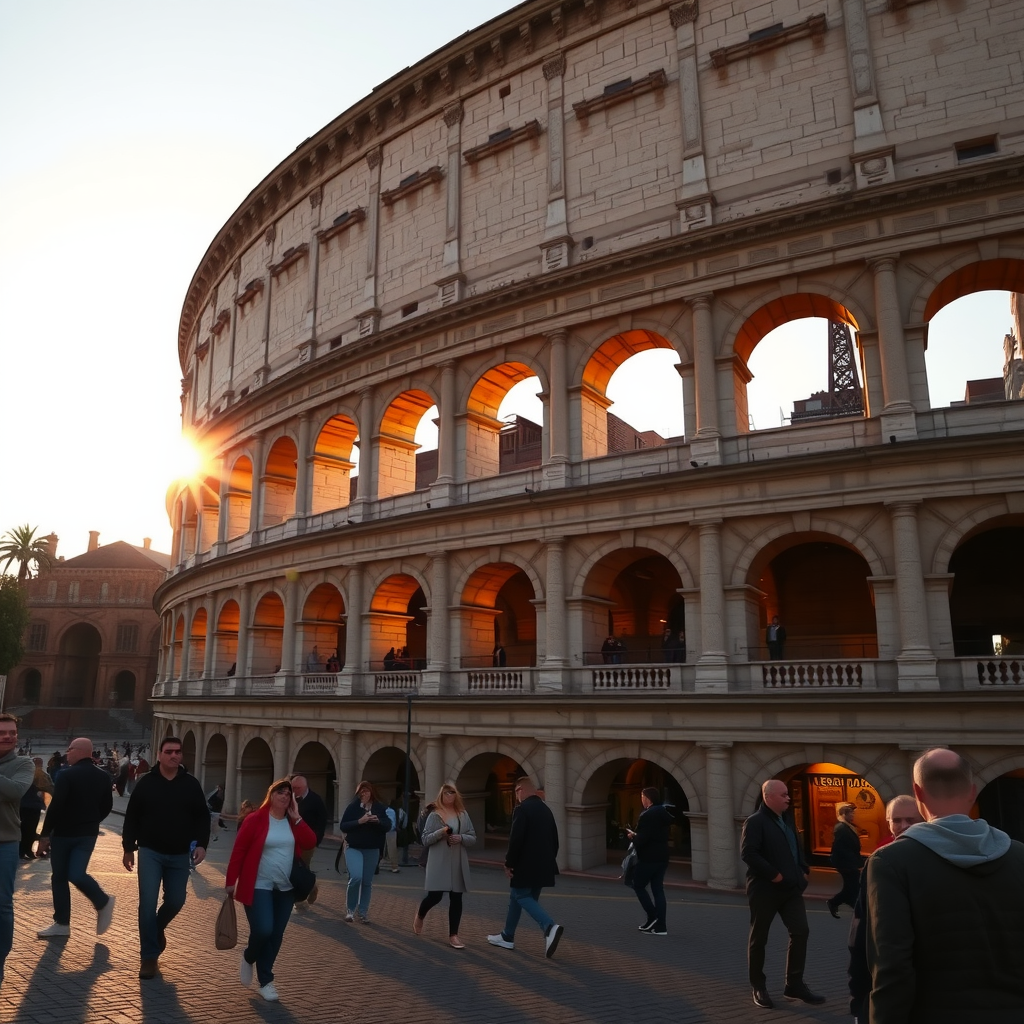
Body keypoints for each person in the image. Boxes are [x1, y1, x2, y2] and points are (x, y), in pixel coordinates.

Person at [866, 748, 1024, 1023]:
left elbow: (892, 967)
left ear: (918, 793)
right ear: (973, 791)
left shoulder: (890, 861)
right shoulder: (1019, 855)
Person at [122, 736, 211, 980]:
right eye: (169, 751)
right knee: (147, 905)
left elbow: (202, 817)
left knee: (176, 901)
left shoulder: (191, 784)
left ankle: (156, 928)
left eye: (178, 752)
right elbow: (131, 817)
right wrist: (128, 848)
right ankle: (148, 957)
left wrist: (202, 844)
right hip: (150, 852)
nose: (174, 755)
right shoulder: (146, 783)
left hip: (180, 854)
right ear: (159, 755)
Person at [226, 777, 315, 1003]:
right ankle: (248, 956)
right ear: (271, 795)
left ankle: (265, 981)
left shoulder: (291, 821)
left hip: (285, 888)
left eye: (288, 794)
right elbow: (239, 850)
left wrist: (297, 819)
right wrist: (230, 880)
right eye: (280, 792)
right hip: (258, 885)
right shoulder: (255, 820)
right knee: (264, 929)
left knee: (276, 935)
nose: (285, 796)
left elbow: (310, 842)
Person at [741, 778, 825, 1010]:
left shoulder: (787, 819)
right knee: (760, 937)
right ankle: (758, 986)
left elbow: (795, 849)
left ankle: (794, 984)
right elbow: (749, 853)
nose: (788, 798)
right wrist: (774, 875)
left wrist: (804, 870)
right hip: (765, 889)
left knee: (801, 931)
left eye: (788, 794)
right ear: (768, 797)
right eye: (783, 794)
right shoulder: (755, 822)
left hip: (791, 890)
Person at [847, 795, 922, 1023]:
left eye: (911, 819)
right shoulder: (877, 861)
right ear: (888, 823)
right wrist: (858, 992)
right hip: (883, 977)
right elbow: (861, 928)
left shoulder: (936, 860)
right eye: (896, 820)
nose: (904, 826)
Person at [35, 737, 115, 939]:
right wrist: (92, 820)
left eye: (69, 749)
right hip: (87, 833)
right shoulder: (104, 776)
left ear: (79, 751)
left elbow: (56, 806)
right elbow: (107, 806)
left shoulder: (66, 775)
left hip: (63, 833)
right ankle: (63, 923)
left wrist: (45, 834)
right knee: (73, 874)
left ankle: (99, 902)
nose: (67, 753)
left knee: (63, 876)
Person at [487, 775, 563, 958]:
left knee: (521, 895)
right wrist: (548, 861)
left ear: (520, 790)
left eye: (515, 792)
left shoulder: (522, 809)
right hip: (544, 866)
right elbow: (555, 841)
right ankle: (507, 936)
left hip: (525, 865)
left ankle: (549, 926)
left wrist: (509, 863)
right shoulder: (546, 810)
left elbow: (516, 840)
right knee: (517, 898)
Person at [413, 783, 476, 948]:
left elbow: (472, 837)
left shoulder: (463, 815)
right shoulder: (434, 816)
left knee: (457, 898)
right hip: (438, 861)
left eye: (452, 793)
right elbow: (425, 839)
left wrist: (460, 838)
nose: (450, 796)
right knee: (435, 896)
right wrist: (441, 832)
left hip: (457, 861)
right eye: (446, 793)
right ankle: (420, 915)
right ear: (441, 795)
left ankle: (454, 935)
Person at [0, 715, 36, 986]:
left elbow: (13, 792)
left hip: (5, 843)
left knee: (2, 906)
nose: (8, 737)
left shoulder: (23, 763)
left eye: (12, 733)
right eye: (2, 733)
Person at [338, 780, 390, 923]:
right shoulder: (353, 807)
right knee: (355, 877)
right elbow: (343, 826)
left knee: (367, 881)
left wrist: (377, 820)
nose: (364, 794)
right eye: (362, 792)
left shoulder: (379, 807)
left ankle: (363, 912)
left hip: (372, 849)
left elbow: (388, 825)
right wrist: (359, 821)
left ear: (372, 792)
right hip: (353, 847)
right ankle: (350, 910)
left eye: (367, 791)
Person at [625, 787, 673, 935]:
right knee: (658, 890)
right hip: (662, 857)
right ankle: (661, 926)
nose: (641, 799)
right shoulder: (663, 812)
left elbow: (642, 840)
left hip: (648, 858)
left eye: (642, 796)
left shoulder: (647, 815)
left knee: (638, 885)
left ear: (648, 798)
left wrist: (633, 836)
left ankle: (653, 917)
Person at [290, 775, 327, 902]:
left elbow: (322, 821)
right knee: (295, 868)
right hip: (291, 840)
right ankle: (308, 888)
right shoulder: (289, 799)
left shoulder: (315, 800)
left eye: (297, 788)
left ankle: (303, 896)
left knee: (302, 867)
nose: (294, 791)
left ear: (305, 787)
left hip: (308, 841)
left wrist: (317, 839)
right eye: (292, 787)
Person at [826, 802, 863, 918]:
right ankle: (858, 911)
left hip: (850, 863)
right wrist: (854, 864)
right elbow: (839, 848)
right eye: (850, 813)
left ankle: (834, 903)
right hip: (846, 864)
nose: (853, 815)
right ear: (843, 814)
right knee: (854, 887)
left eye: (853, 813)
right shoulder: (841, 828)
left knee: (850, 887)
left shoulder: (849, 827)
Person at [19, 758, 51, 859]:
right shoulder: (41, 775)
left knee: (24, 829)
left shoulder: (23, 774)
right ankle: (26, 850)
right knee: (30, 829)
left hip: (23, 804)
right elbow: (49, 788)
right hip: (32, 806)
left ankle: (23, 850)